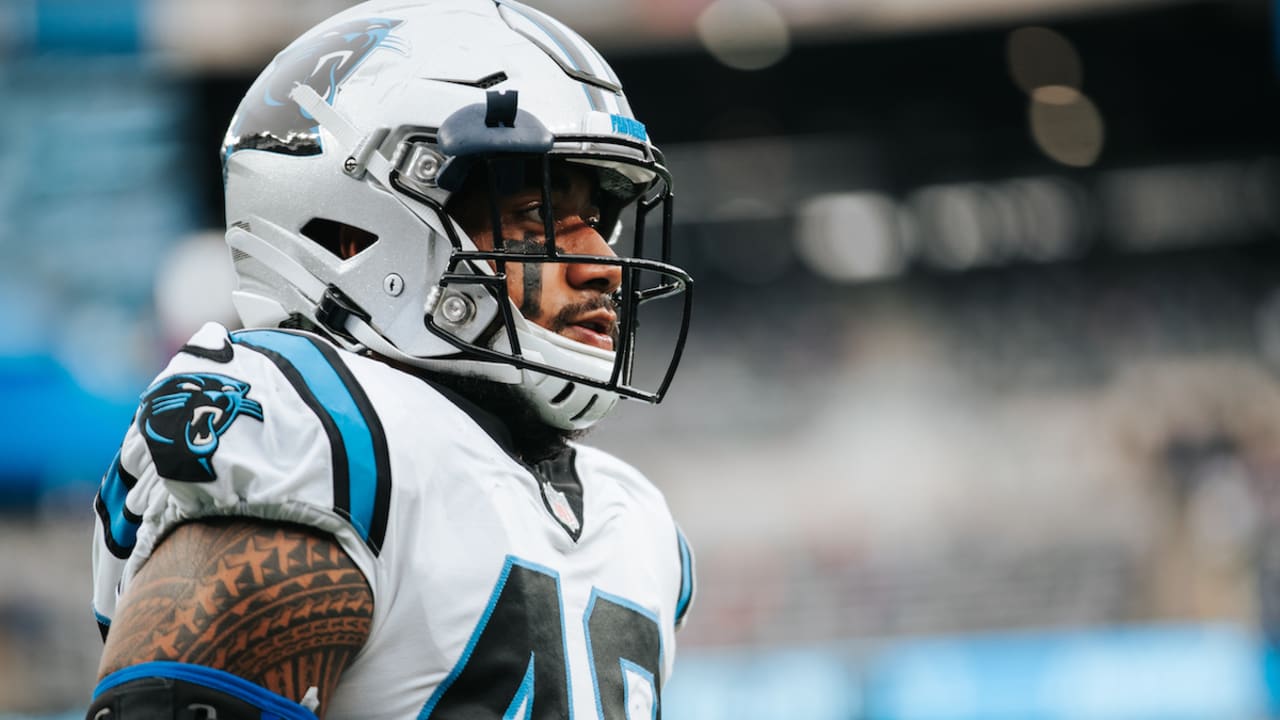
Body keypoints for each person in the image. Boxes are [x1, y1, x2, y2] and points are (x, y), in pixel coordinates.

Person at [87, 1, 695, 717]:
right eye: (535, 220)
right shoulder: (319, 433)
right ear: (352, 233)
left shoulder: (639, 523)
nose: (603, 265)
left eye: (597, 223)